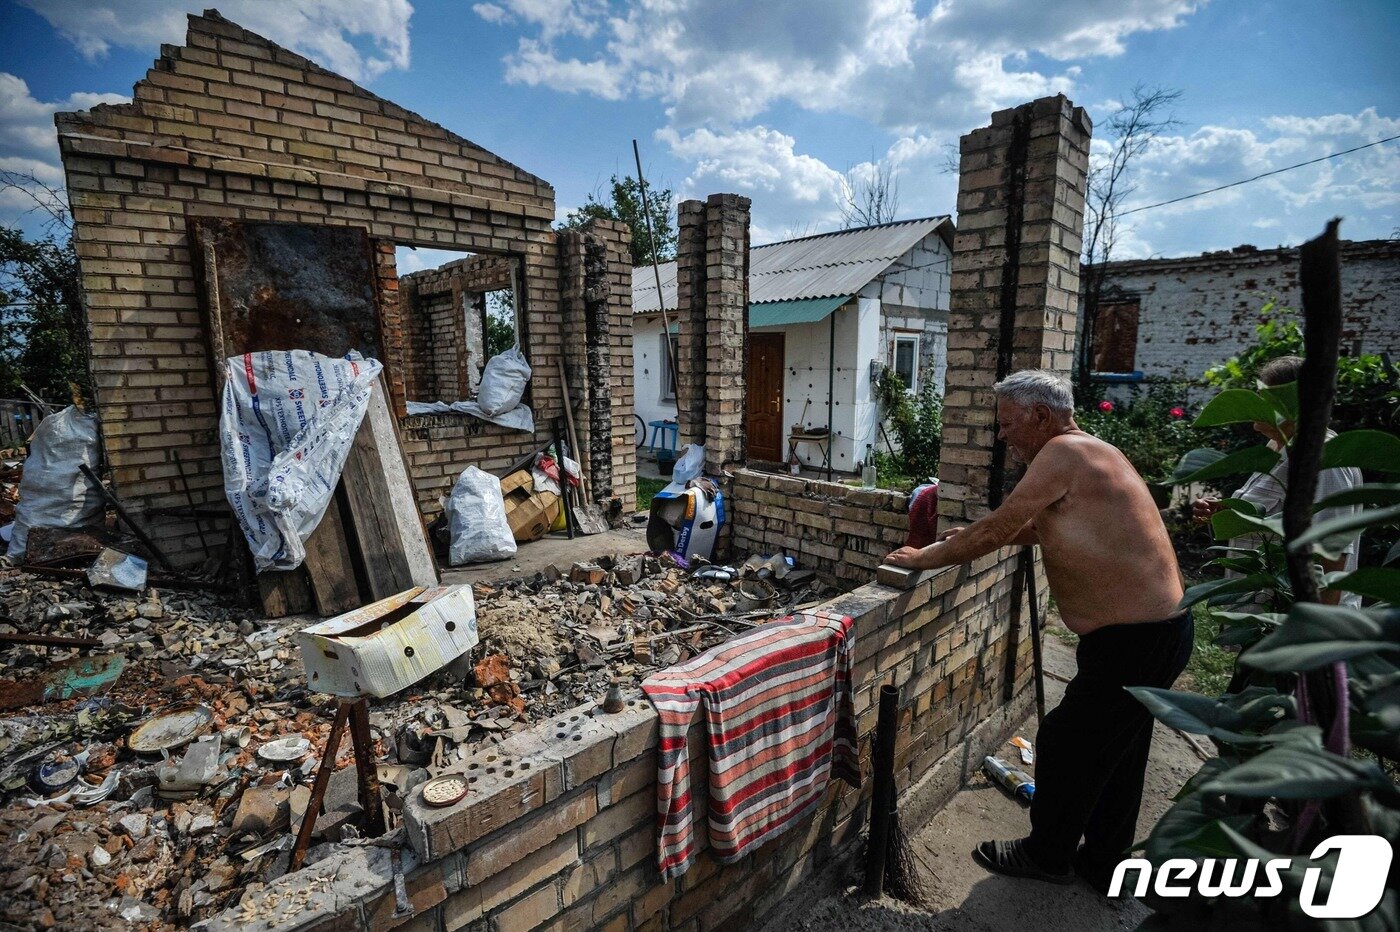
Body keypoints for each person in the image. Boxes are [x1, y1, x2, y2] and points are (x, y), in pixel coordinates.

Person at [885, 369, 1191, 894]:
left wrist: (927, 555)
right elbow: (1052, 522)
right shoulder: (1092, 450)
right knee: (1119, 750)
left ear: (1041, 416)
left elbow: (1001, 525)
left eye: (1007, 424)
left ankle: (1046, 854)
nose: (1001, 435)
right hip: (1157, 633)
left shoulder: (1061, 455)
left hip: (1135, 641)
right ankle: (1104, 862)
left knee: (1067, 741)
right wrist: (988, 538)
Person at [1192, 355, 1363, 611]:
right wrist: (1227, 511)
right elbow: (1271, 515)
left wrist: (1317, 628)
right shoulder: (1277, 448)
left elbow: (1333, 551)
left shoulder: (1322, 458)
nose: (1257, 404)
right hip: (1266, 611)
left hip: (1295, 618)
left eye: (1266, 398)